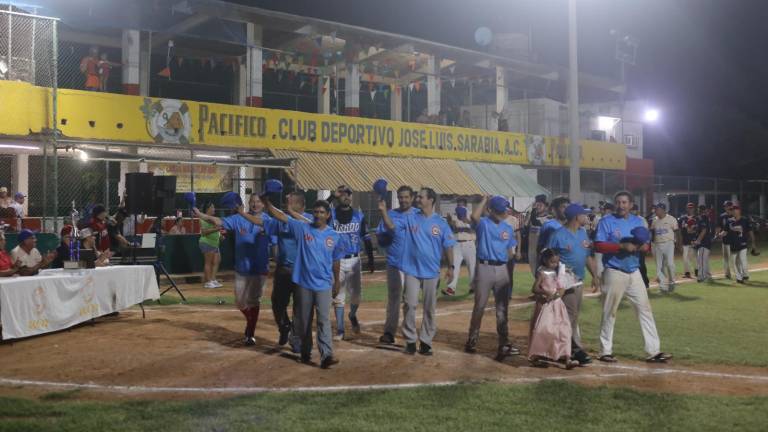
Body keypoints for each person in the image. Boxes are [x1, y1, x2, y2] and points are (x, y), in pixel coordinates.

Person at [262, 195, 343, 369]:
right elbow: (282, 217)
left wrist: (337, 282)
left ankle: (326, 354)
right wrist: (269, 204)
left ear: (328, 215)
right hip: (304, 283)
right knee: (304, 320)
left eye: (322, 212)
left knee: (323, 320)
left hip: (324, 284)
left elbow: (336, 261)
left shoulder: (334, 236)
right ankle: (306, 351)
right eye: (316, 212)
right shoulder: (302, 228)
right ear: (312, 213)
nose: (318, 215)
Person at [594, 191, 671, 363]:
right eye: (618, 202)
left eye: (624, 202)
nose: (621, 206)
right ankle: (605, 351)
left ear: (630, 205)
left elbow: (646, 244)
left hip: (634, 271)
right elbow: (598, 245)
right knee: (609, 311)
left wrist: (644, 247)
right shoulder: (606, 221)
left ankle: (654, 351)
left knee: (645, 311)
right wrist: (621, 246)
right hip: (614, 271)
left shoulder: (638, 221)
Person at [379, 187, 455, 355]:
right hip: (411, 270)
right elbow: (391, 226)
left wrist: (451, 267)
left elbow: (449, 245)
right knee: (410, 305)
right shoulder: (410, 218)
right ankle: (411, 340)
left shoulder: (441, 223)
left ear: (430, 200)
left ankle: (426, 341)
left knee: (429, 308)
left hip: (432, 272)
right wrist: (384, 212)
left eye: (421, 197)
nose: (418, 199)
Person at [195, 194, 272, 346]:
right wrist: (200, 214)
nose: (255, 204)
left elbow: (261, 224)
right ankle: (250, 321)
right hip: (242, 268)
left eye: (258, 202)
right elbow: (218, 221)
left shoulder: (268, 220)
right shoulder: (239, 219)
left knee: (254, 301)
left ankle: (250, 333)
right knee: (239, 302)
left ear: (263, 205)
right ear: (248, 203)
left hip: (259, 268)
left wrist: (242, 213)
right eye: (252, 202)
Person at [463, 195, 519, 361]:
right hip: (484, 267)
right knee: (479, 307)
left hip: (502, 268)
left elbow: (510, 252)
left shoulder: (507, 228)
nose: (504, 214)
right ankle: (472, 340)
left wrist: (506, 268)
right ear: (491, 210)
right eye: (500, 211)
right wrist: (484, 200)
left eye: (505, 210)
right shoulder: (484, 224)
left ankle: (504, 343)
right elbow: (474, 217)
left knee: (502, 309)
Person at [546, 203, 600, 366]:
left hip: (579, 279)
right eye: (584, 214)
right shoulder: (558, 235)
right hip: (565, 279)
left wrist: (595, 275)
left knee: (573, 316)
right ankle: (567, 350)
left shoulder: (583, 233)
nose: (586, 217)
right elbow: (547, 258)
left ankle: (567, 348)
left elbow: (587, 257)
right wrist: (554, 281)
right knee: (569, 315)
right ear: (577, 217)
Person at [267, 191, 313, 347]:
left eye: (291, 202)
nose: (288, 205)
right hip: (283, 269)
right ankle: (284, 326)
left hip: (303, 271)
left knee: (300, 307)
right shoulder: (280, 220)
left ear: (301, 205)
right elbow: (264, 222)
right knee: (277, 303)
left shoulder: (309, 220)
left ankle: (296, 338)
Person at [329, 185, 373, 341]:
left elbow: (366, 237)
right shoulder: (331, 215)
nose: (346, 197)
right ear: (338, 197)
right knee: (338, 296)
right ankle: (340, 330)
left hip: (355, 260)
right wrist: (331, 197)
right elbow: (319, 212)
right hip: (337, 261)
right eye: (343, 194)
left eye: (348, 194)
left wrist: (371, 259)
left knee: (356, 297)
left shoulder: (358, 215)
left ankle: (352, 315)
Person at [376, 185, 417, 345]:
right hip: (394, 262)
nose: (403, 200)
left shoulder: (419, 215)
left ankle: (409, 333)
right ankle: (389, 332)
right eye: (400, 197)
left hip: (413, 264)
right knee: (393, 298)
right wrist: (383, 239)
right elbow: (381, 234)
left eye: (406, 197)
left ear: (412, 198)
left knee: (410, 301)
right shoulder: (391, 214)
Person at [528, 248, 579, 369]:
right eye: (552, 262)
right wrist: (546, 292)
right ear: (545, 260)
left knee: (564, 329)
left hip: (557, 304)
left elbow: (560, 284)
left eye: (556, 262)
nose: (555, 264)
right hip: (547, 305)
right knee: (545, 330)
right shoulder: (542, 272)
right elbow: (534, 288)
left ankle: (567, 357)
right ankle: (538, 354)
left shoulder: (557, 271)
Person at [445, 197, 477, 296]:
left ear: (465, 205)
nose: (459, 206)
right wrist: (450, 222)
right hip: (457, 244)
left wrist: (466, 220)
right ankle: (451, 288)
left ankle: (474, 287)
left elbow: (474, 226)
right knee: (454, 265)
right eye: (458, 204)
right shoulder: (454, 216)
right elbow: (452, 228)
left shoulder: (471, 215)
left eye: (461, 204)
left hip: (469, 244)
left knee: (472, 267)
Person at [725, 205, 758, 284]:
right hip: (733, 244)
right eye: (732, 210)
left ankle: (745, 275)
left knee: (743, 261)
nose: (733, 211)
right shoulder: (729, 221)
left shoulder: (745, 220)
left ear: (739, 210)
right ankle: (739, 278)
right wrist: (720, 234)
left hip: (743, 244)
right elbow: (725, 231)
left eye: (735, 210)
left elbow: (750, 232)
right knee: (735, 263)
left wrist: (753, 244)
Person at [651, 203, 679, 293]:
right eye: (655, 209)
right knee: (659, 267)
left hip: (669, 243)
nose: (655, 211)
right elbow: (652, 232)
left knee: (670, 264)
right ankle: (663, 287)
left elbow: (677, 232)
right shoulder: (654, 220)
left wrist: (678, 243)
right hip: (657, 244)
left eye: (657, 209)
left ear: (663, 210)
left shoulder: (671, 219)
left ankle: (672, 282)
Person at [198, 202, 222, 289]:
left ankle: (213, 279)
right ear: (207, 209)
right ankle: (208, 282)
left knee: (217, 260)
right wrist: (216, 229)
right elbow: (204, 232)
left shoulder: (213, 219)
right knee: (208, 262)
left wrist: (220, 235)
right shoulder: (203, 218)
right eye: (212, 207)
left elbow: (216, 229)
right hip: (207, 242)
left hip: (215, 243)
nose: (214, 209)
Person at [526, 194, 549, 275]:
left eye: (540, 205)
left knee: (542, 272)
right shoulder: (533, 216)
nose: (538, 207)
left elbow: (536, 222)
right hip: (531, 249)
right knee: (534, 271)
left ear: (546, 207)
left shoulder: (548, 219)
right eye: (537, 205)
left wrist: (533, 209)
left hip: (541, 250)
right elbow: (525, 227)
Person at [630, 204, 650, 288]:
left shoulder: (642, 220)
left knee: (641, 264)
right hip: (630, 244)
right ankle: (632, 284)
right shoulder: (627, 219)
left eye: (634, 210)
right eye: (631, 210)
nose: (632, 211)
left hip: (640, 245)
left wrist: (646, 244)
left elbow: (646, 233)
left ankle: (645, 282)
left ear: (637, 210)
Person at [594, 203, 615, 277]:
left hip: (602, 245)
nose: (601, 211)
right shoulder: (617, 219)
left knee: (600, 267)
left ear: (608, 210)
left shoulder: (604, 219)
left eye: (603, 209)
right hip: (612, 247)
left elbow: (596, 233)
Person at [693, 204, 713, 283]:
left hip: (704, 242)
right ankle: (708, 275)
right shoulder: (704, 218)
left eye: (700, 209)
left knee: (701, 260)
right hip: (705, 241)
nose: (699, 210)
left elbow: (704, 230)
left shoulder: (702, 218)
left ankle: (701, 277)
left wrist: (698, 240)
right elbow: (698, 230)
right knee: (704, 260)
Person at [678, 203, 698, 278]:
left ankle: (697, 271)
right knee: (685, 257)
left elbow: (698, 229)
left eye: (691, 208)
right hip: (685, 240)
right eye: (689, 208)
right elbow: (679, 230)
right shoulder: (683, 218)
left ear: (694, 209)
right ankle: (687, 272)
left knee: (694, 257)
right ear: (686, 208)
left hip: (694, 240)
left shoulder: (696, 218)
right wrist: (679, 240)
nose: (690, 209)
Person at [716, 201, 735, 279]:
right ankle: (727, 274)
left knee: (734, 258)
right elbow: (719, 226)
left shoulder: (735, 215)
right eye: (725, 206)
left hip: (734, 240)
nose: (726, 207)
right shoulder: (722, 216)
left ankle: (738, 273)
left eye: (727, 206)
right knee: (726, 258)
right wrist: (717, 234)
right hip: (725, 240)